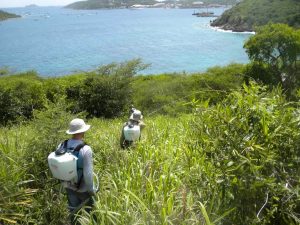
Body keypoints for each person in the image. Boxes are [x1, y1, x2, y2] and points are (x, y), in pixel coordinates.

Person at [59, 118, 96, 225]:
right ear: (82, 131)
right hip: (83, 188)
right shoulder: (86, 149)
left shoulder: (62, 145)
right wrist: (92, 190)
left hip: (68, 185)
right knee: (92, 212)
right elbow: (88, 174)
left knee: (74, 212)